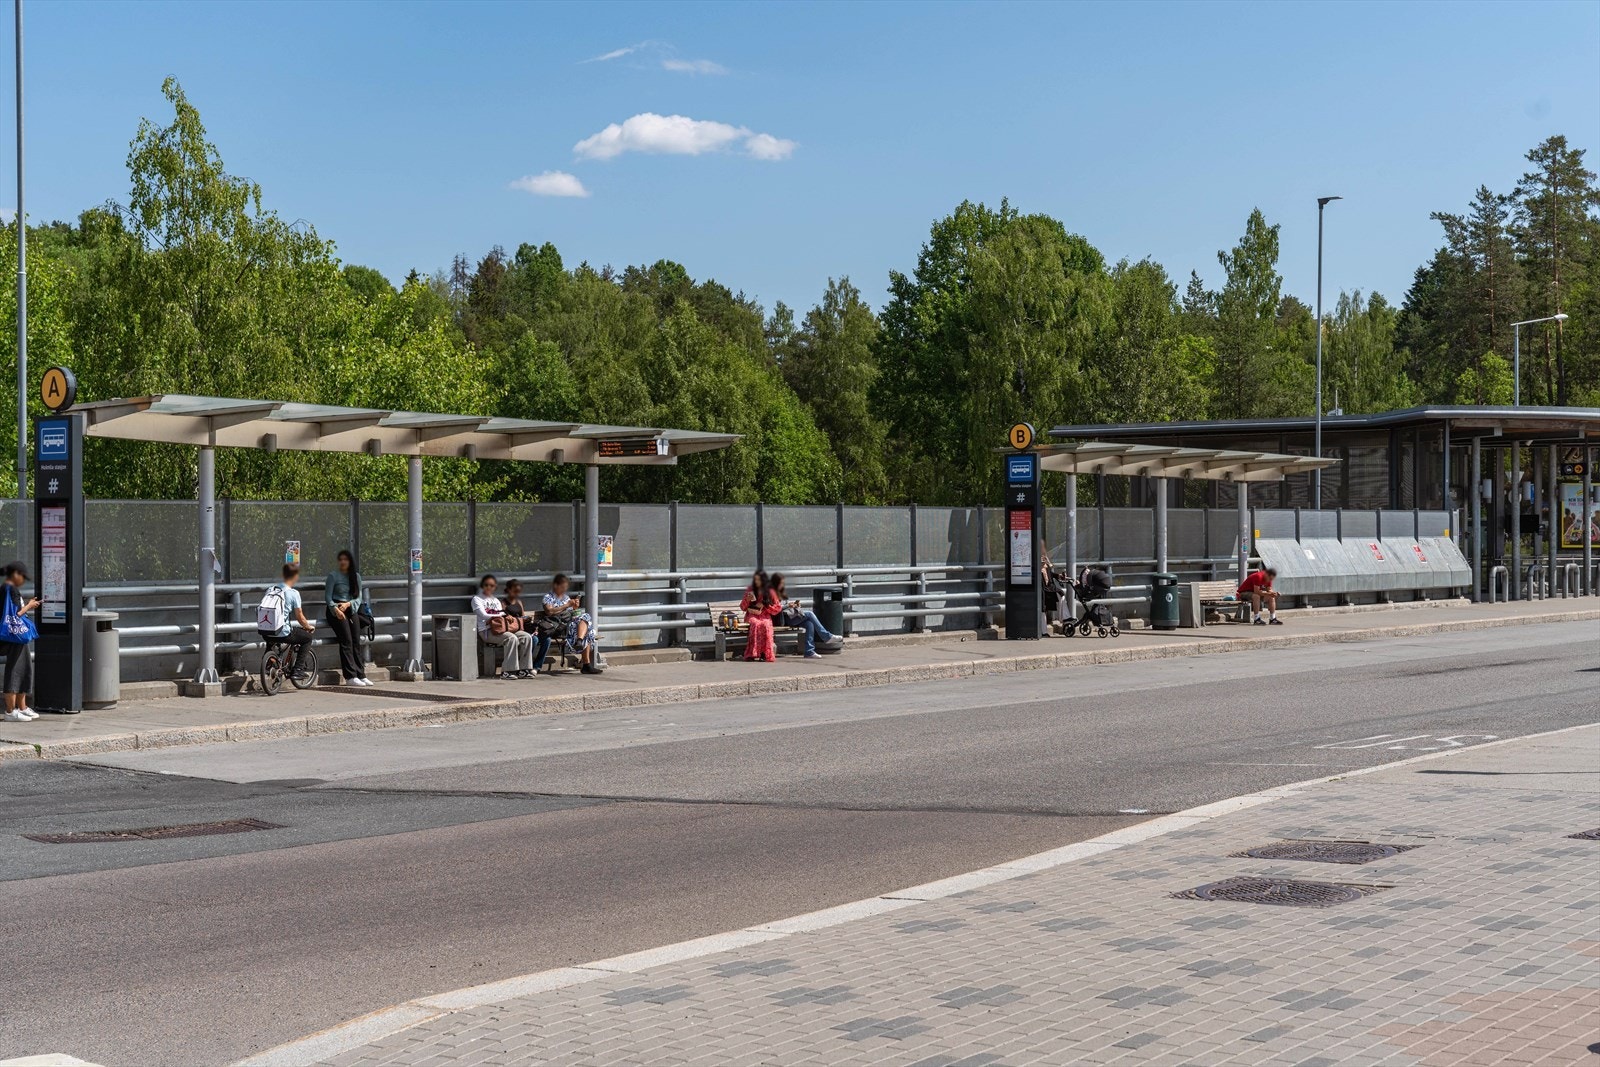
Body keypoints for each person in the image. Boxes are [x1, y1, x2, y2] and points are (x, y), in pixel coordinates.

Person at [473, 573, 536, 678]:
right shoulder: (477, 599)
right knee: (511, 638)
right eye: (486, 585)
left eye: (492, 586)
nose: (489, 587)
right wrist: (503, 614)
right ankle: (508, 671)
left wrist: (502, 615)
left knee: (526, 637)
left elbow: (498, 616)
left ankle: (524, 669)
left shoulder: (496, 600)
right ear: (482, 586)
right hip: (487, 632)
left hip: (501, 629)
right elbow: (484, 615)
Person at [538, 573, 603, 675]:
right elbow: (549, 611)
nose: (564, 590)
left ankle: (580, 641)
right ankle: (586, 664)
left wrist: (575, 608)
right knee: (588, 631)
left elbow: (571, 614)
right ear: (556, 585)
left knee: (586, 621)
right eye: (563, 587)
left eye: (566, 587)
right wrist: (566, 605)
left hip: (569, 624)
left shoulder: (566, 598)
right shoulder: (548, 597)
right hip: (557, 627)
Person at [324, 550, 372, 687]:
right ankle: (350, 676)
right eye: (341, 559)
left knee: (356, 641)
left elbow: (359, 597)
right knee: (346, 640)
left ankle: (361, 674)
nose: (343, 562)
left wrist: (348, 604)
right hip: (336, 609)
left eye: (346, 559)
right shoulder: (333, 576)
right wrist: (336, 609)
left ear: (350, 561)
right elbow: (328, 597)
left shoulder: (355, 576)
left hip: (351, 608)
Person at [769, 573, 843, 658]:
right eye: (781, 583)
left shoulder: (780, 592)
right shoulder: (771, 593)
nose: (783, 585)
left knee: (809, 623)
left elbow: (784, 605)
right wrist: (788, 606)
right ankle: (826, 637)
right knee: (810, 614)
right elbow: (774, 609)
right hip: (781, 619)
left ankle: (809, 651)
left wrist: (794, 605)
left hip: (789, 616)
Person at [2, 561, 39, 722]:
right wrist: (30, 605)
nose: (23, 580)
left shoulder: (5, 589)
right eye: (22, 577)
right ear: (16, 574)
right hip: (13, 637)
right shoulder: (11, 590)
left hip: (12, 636)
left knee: (23, 668)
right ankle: (10, 711)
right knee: (16, 670)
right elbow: (16, 614)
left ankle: (21, 708)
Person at [267, 563, 316, 675]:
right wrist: (308, 627)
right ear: (295, 576)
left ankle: (269, 662)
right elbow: (300, 617)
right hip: (283, 632)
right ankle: (298, 670)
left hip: (266, 630)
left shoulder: (271, 589)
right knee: (307, 638)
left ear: (283, 575)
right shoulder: (293, 593)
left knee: (271, 638)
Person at [740, 570, 780, 662]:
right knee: (755, 623)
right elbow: (742, 607)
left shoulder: (770, 591)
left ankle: (764, 653)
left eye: (759, 580)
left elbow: (777, 607)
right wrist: (747, 600)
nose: (757, 582)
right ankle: (752, 654)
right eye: (756, 580)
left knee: (765, 625)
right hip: (752, 614)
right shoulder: (750, 590)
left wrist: (766, 605)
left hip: (765, 615)